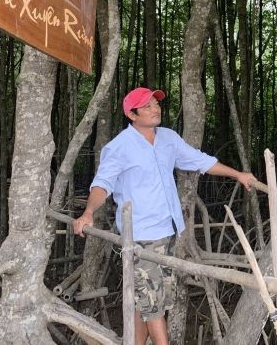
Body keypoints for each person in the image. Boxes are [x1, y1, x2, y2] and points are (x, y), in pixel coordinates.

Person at [73, 86, 257, 345]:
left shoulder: (169, 138)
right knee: (153, 307)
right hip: (140, 238)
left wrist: (238, 174)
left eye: (156, 104)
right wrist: (88, 213)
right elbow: (102, 184)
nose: (155, 109)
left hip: (169, 231)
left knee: (148, 302)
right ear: (132, 114)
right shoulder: (119, 147)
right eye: (147, 106)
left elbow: (200, 161)